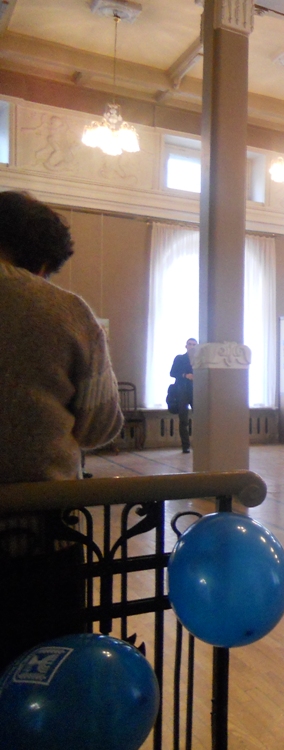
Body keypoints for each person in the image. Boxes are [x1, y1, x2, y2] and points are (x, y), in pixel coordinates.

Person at [0, 190, 124, 673]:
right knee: (43, 675)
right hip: (36, 543)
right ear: (42, 261)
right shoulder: (66, 312)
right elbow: (100, 425)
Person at [170, 338, 196, 453]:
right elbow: (172, 373)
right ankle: (185, 446)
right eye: (190, 344)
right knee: (183, 419)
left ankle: (201, 443)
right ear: (186, 346)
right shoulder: (180, 358)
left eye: (194, 345)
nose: (192, 346)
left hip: (196, 391)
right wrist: (185, 375)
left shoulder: (200, 360)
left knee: (200, 418)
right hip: (182, 390)